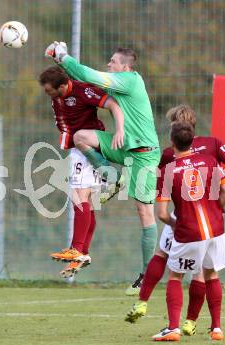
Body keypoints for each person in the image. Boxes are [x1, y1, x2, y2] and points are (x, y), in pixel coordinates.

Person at [125, 105, 225, 335]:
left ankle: (155, 312)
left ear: (174, 131)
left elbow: (161, 203)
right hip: (212, 222)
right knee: (206, 272)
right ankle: (203, 324)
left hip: (183, 220)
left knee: (166, 260)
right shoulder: (212, 147)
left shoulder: (169, 155)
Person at [46, 43, 161, 294]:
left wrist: (63, 56)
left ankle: (147, 276)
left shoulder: (128, 80)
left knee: (144, 213)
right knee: (81, 137)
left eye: (113, 62)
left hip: (144, 153)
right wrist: (62, 63)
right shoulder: (117, 82)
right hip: (122, 145)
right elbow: (79, 81)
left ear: (125, 67)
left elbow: (88, 75)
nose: (109, 65)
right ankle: (113, 176)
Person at [151, 121, 225, 341]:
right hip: (216, 229)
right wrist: (215, 210)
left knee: (176, 276)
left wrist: (175, 224)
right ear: (193, 141)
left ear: (172, 142)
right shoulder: (210, 161)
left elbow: (161, 213)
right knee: (211, 274)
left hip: (189, 232)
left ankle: (173, 328)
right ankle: (216, 329)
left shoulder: (168, 171)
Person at [40, 66, 124, 278]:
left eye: (50, 90)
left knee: (79, 197)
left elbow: (112, 103)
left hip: (86, 148)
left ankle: (76, 249)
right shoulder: (61, 93)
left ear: (62, 86)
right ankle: (83, 253)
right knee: (87, 202)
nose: (47, 94)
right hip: (79, 148)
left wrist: (120, 130)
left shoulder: (82, 91)